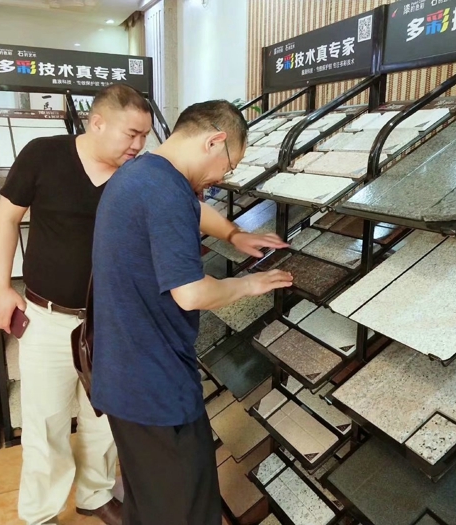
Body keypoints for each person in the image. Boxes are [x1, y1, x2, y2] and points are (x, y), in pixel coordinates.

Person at [91, 100, 293, 525]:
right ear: (214, 141)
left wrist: (235, 234)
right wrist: (250, 284)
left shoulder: (140, 174)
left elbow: (189, 209)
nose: (222, 178)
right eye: (229, 166)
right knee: (186, 511)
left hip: (125, 378)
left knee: (149, 504)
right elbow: (191, 293)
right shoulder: (165, 190)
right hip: (156, 387)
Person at [0, 83, 154, 525]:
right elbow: (6, 219)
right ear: (97, 123)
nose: (138, 145)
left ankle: (95, 494)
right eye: (131, 134)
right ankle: (41, 512)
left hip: (113, 321)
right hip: (47, 318)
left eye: (144, 135)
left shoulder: (137, 174)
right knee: (46, 422)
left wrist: (233, 233)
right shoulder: (44, 154)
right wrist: (0, 287)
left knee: (106, 417)